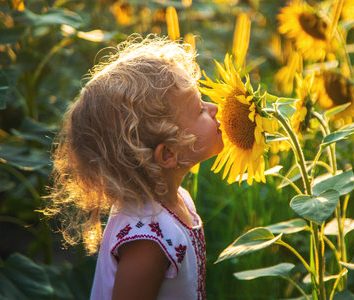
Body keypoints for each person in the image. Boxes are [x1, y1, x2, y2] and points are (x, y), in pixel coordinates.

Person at [46, 34, 224, 300]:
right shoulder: (147, 240)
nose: (215, 109)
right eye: (199, 109)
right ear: (168, 154)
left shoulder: (176, 202)